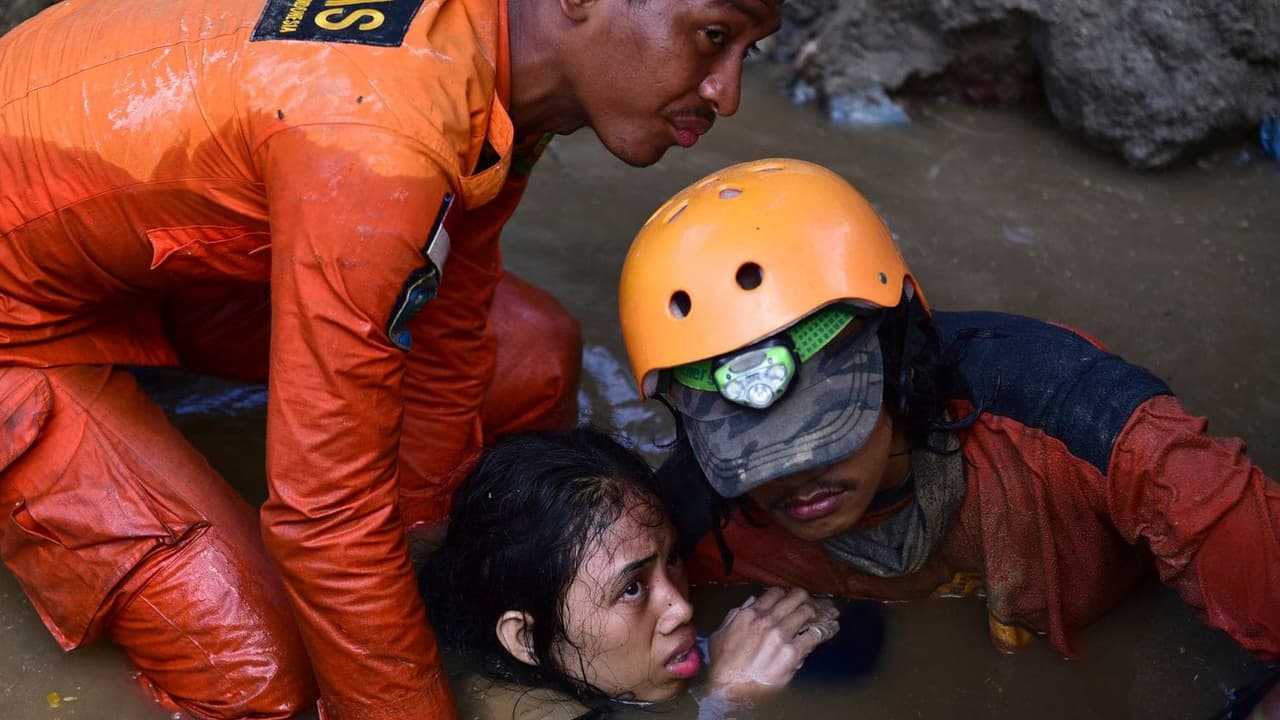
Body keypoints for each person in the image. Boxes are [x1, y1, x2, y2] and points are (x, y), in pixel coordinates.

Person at [0, 1, 782, 718]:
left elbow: (445, 338)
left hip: (148, 260)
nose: (729, 92)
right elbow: (323, 513)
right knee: (259, 679)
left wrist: (429, 575)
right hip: (19, 322)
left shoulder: (500, 78)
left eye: (751, 49)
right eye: (714, 36)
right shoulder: (385, 134)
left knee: (534, 357)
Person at [616, 159, 1280, 670]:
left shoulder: (1086, 427)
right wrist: (723, 698)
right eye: (757, 452)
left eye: (823, 435)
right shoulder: (690, 520)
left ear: (901, 358)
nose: (797, 480)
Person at [420, 426, 841, 719]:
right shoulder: (508, 708)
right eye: (633, 587)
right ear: (527, 639)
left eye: (673, 558)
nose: (681, 607)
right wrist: (727, 700)